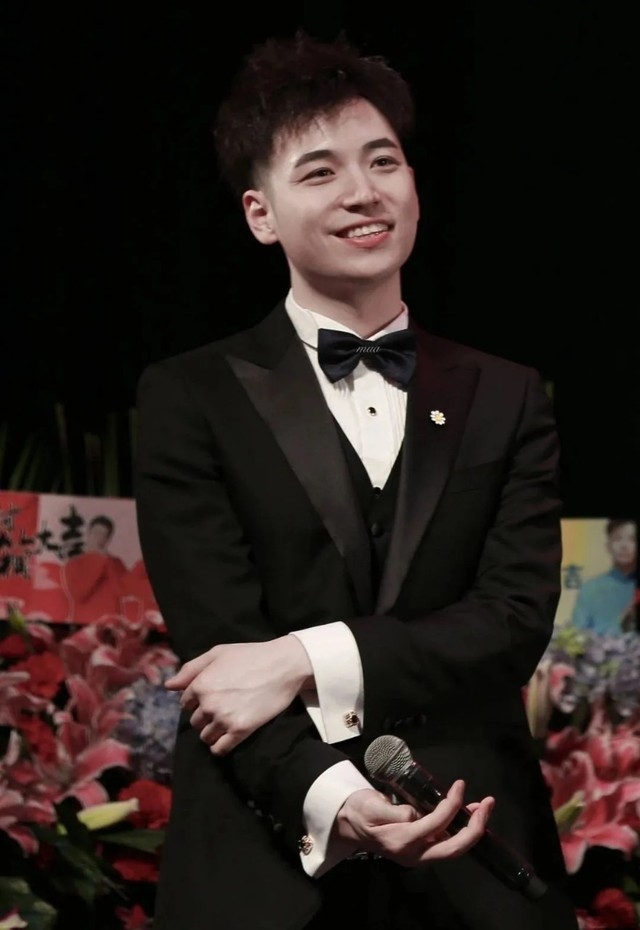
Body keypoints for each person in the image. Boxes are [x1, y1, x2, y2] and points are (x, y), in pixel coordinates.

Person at [135, 32, 578, 930]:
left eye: (383, 161)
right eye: (321, 171)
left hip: (479, 858)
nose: (363, 191)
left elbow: (510, 622)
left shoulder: (506, 394)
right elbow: (222, 662)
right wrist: (338, 799)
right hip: (267, 864)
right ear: (261, 214)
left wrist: (305, 657)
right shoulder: (189, 396)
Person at [570, 518, 637, 634]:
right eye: (618, 539)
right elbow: (575, 637)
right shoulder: (590, 589)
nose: (624, 546)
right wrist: (619, 625)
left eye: (632, 539)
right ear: (608, 545)